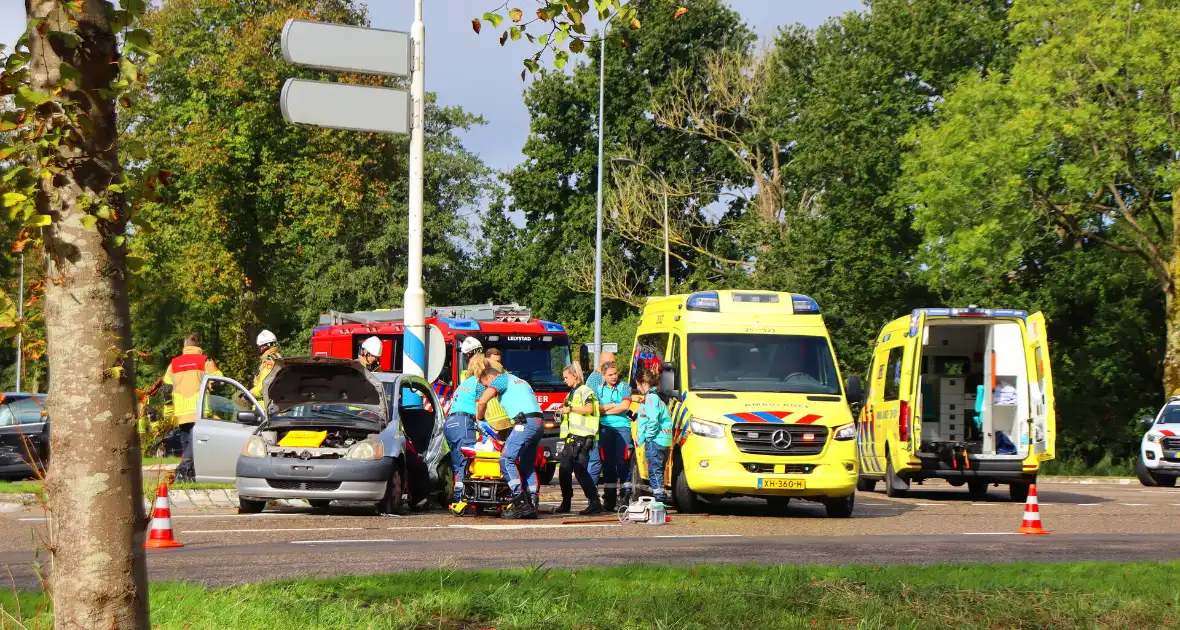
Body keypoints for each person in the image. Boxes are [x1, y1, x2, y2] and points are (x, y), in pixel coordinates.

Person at [476, 365, 544, 519]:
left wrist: (480, 419)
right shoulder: (520, 381)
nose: (488, 387)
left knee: (506, 459)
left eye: (486, 384)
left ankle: (520, 502)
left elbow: (482, 401)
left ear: (490, 378)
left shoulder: (500, 379)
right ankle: (532, 502)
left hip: (525, 423)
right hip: (538, 422)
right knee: (527, 464)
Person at [162, 333, 222, 482]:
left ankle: (190, 475)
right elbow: (217, 380)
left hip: (181, 411)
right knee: (195, 443)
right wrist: (210, 386)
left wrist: (169, 412)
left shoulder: (173, 364)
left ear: (184, 346)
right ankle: (183, 469)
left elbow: (167, 390)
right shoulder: (205, 361)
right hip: (199, 410)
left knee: (186, 443)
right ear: (198, 346)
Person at [556, 364, 604, 515]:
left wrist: (570, 409)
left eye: (566, 377)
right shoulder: (571, 393)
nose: (565, 381)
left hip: (582, 439)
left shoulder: (585, 391)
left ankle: (594, 502)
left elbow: (589, 409)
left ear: (574, 376)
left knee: (580, 471)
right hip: (572, 438)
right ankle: (566, 502)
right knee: (564, 471)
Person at [590, 361, 633, 511]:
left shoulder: (625, 387)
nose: (614, 377)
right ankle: (609, 498)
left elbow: (625, 406)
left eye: (615, 374)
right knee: (607, 464)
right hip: (604, 428)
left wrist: (605, 410)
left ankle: (626, 495)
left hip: (622, 427)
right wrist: (613, 406)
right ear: (603, 375)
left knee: (623, 463)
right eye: (610, 375)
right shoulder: (597, 390)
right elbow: (594, 408)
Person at [445, 355, 481, 504]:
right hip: (463, 422)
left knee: (456, 463)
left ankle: (457, 494)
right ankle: (460, 498)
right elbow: (480, 406)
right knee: (466, 461)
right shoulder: (479, 383)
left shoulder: (464, 384)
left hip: (450, 423)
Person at [635, 368, 673, 503]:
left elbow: (653, 419)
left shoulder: (651, 398)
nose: (638, 389)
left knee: (654, 471)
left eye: (638, 385)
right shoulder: (658, 396)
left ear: (644, 384)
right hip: (665, 440)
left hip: (655, 440)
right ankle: (659, 497)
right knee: (659, 471)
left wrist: (649, 436)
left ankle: (659, 500)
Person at [251, 330, 282, 399]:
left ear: (267, 345)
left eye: (261, 346)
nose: (260, 348)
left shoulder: (269, 361)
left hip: (265, 405)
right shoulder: (276, 358)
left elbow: (265, 384)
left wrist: (250, 393)